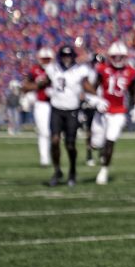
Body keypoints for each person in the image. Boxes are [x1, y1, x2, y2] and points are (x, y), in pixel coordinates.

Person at [43, 45, 97, 187]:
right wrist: (30, 87)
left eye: (69, 56)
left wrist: (97, 97)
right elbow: (44, 82)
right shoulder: (52, 68)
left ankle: (72, 170)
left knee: (70, 145)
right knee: (54, 140)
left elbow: (86, 85)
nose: (67, 58)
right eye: (64, 56)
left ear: (73, 56)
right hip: (56, 109)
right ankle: (57, 170)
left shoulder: (80, 70)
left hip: (72, 110)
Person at [89, 42, 135, 184]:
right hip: (103, 111)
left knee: (110, 140)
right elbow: (92, 87)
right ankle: (101, 153)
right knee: (96, 144)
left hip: (119, 112)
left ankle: (104, 170)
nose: (118, 59)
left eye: (120, 57)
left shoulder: (131, 72)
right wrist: (96, 100)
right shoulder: (102, 69)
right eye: (115, 57)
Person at [23, 47, 54, 166]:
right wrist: (38, 85)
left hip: (56, 104)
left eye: (48, 59)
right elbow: (25, 86)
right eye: (44, 59)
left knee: (53, 133)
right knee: (44, 132)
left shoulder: (57, 70)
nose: (46, 61)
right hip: (41, 104)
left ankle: (51, 156)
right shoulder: (34, 70)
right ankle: (44, 158)